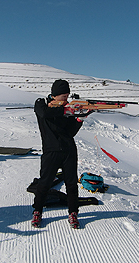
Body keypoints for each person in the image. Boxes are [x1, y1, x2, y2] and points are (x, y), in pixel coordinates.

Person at [32, 79, 85, 229]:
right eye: (63, 97)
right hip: (51, 151)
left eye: (68, 96)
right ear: (54, 96)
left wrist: (79, 119)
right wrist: (65, 110)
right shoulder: (41, 104)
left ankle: (73, 212)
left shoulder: (66, 110)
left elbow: (70, 133)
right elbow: (43, 113)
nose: (66, 100)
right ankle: (37, 211)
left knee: (71, 183)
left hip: (68, 150)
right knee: (44, 183)